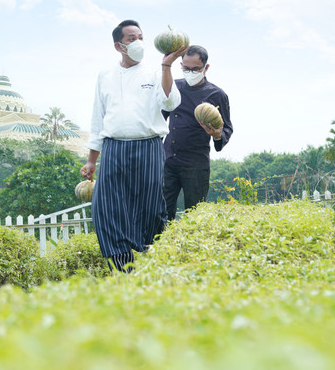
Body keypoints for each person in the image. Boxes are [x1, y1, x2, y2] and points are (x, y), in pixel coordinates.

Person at [81, 19, 186, 272]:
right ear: (119, 46)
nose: (138, 42)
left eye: (141, 37)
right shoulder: (105, 76)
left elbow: (170, 103)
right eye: (131, 38)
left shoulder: (155, 72)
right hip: (113, 149)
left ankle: (152, 262)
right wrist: (92, 160)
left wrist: (167, 65)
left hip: (148, 148)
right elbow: (98, 118)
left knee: (151, 207)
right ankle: (122, 268)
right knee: (105, 208)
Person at [162, 44, 233, 221]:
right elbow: (158, 119)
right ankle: (160, 247)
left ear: (206, 68)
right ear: (181, 65)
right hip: (168, 159)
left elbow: (226, 128)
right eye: (186, 68)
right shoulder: (174, 87)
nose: (190, 72)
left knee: (194, 215)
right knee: (161, 211)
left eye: (196, 69)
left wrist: (217, 135)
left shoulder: (217, 94)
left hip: (195, 164)